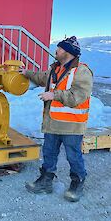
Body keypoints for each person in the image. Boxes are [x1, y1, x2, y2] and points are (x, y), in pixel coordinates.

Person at [20, 36, 93, 202]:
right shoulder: (56, 69)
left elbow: (78, 96)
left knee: (73, 156)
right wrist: (26, 73)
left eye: (59, 49)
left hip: (72, 126)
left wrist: (54, 95)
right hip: (53, 123)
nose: (56, 51)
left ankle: (77, 182)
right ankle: (46, 181)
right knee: (49, 154)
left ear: (68, 52)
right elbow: (41, 77)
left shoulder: (81, 71)